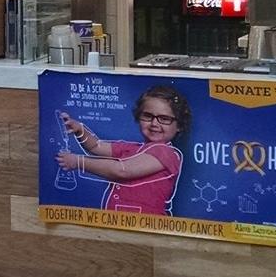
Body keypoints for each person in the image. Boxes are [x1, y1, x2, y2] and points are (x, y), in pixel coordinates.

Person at [57, 85, 191, 217]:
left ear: (179, 125)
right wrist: (80, 130)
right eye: (147, 116)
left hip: (147, 225)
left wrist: (78, 162)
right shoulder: (132, 149)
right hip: (118, 221)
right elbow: (96, 147)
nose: (154, 124)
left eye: (164, 119)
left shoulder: (167, 153)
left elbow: (122, 171)